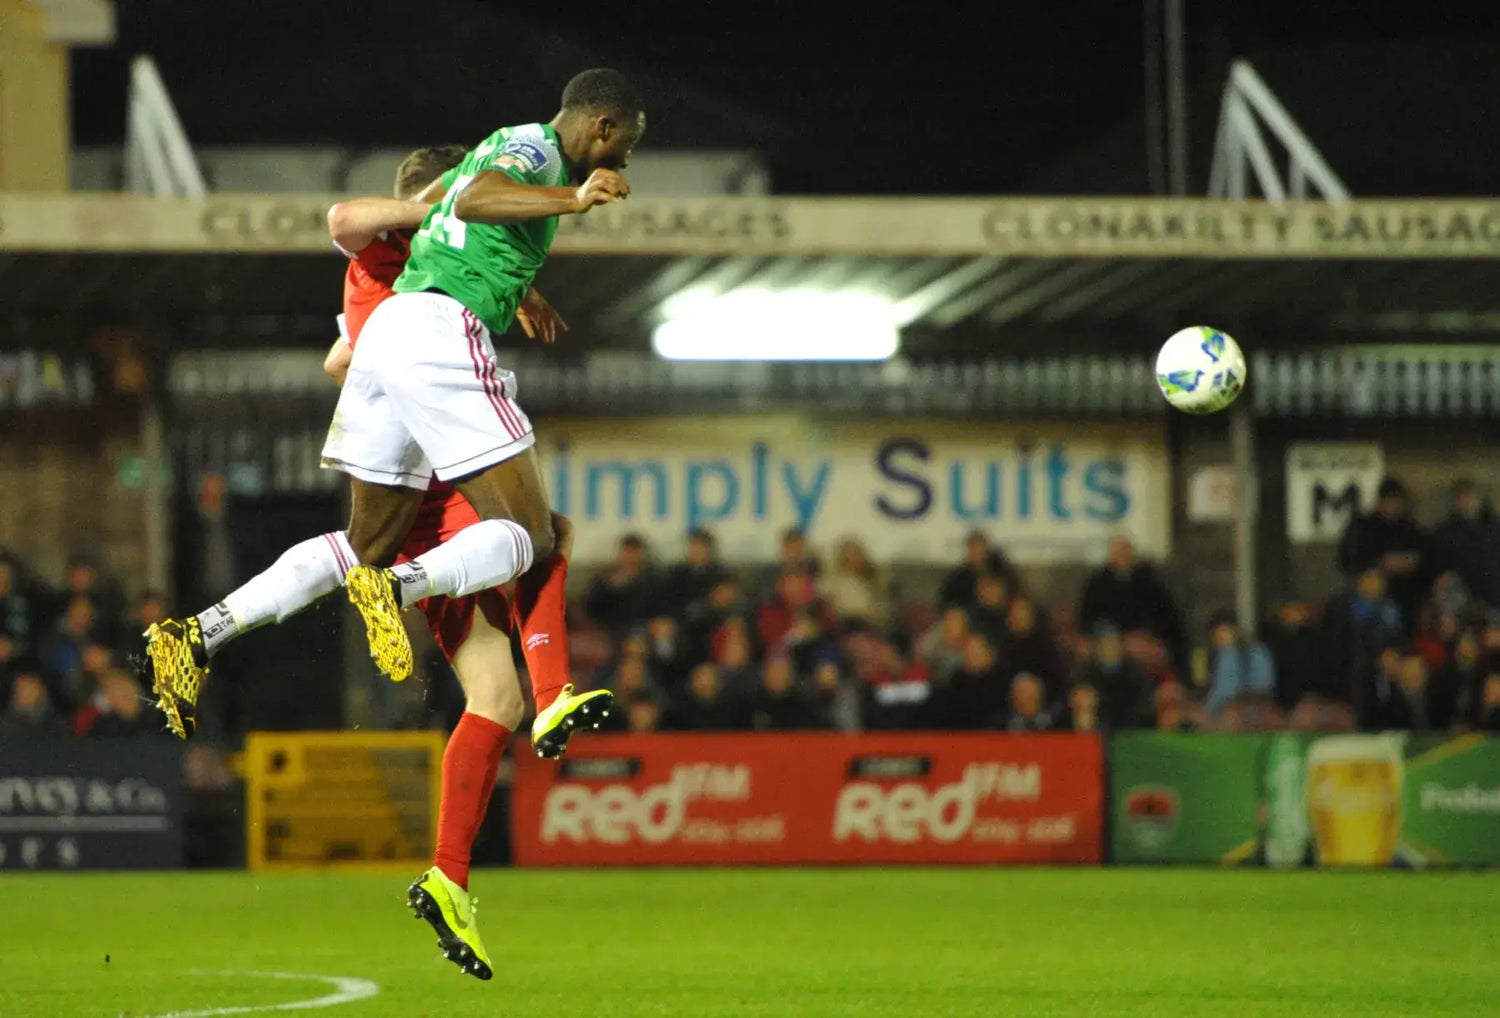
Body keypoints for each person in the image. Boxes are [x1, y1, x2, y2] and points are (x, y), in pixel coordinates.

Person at [142, 70, 642, 753]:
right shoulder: (535, 149)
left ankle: (198, 636)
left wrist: (518, 286)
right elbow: (472, 198)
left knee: (362, 545)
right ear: (602, 129)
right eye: (627, 145)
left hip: (385, 342)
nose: (626, 161)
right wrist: (575, 197)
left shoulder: (468, 196)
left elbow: (456, 213)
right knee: (537, 536)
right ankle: (417, 599)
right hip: (439, 335)